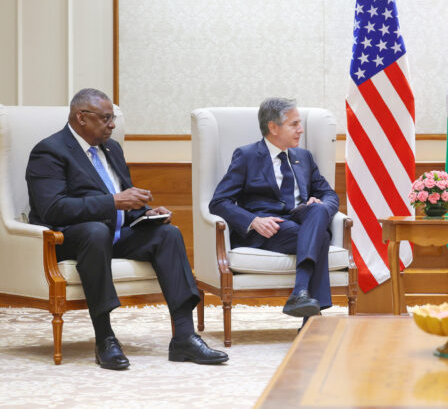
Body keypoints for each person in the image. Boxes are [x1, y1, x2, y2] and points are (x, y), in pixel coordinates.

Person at [26, 88, 228, 370]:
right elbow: (53, 209)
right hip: (72, 238)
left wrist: (145, 213)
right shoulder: (49, 151)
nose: (112, 125)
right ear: (81, 117)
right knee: (96, 231)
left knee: (168, 234)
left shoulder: (112, 149)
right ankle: (105, 337)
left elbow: (122, 200)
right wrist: (113, 201)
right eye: (106, 118)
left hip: (116, 234)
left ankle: (184, 336)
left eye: (113, 119)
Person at [209, 97, 338, 325]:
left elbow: (330, 195)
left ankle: (300, 293)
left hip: (301, 221)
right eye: (294, 124)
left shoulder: (304, 157)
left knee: (318, 212)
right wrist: (253, 220)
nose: (301, 130)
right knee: (322, 236)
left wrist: (321, 205)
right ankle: (312, 320)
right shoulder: (247, 156)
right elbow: (219, 202)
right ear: (273, 127)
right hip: (268, 229)